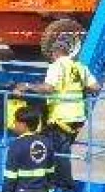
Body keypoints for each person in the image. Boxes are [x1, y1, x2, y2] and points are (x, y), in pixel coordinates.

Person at [0, 101, 61, 192]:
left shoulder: (16, 145)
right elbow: (51, 173)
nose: (14, 124)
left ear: (24, 125)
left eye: (16, 122)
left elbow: (10, 178)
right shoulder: (47, 143)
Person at [43, 47, 100, 177]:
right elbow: (96, 87)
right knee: (62, 151)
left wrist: (27, 87)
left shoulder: (56, 66)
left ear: (55, 53)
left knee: (59, 154)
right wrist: (82, 89)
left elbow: (48, 88)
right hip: (78, 117)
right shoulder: (79, 66)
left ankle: (65, 184)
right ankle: (60, 181)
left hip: (61, 117)